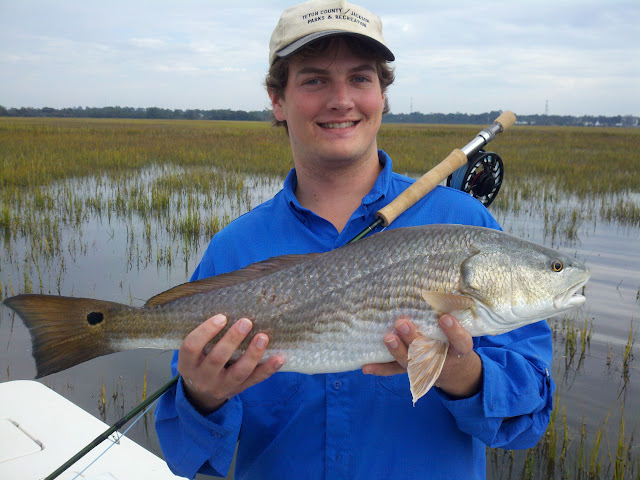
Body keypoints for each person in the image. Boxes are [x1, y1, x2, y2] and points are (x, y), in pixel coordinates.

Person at [155, 1, 554, 479]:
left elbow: (530, 419)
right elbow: (188, 457)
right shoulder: (234, 248)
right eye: (314, 80)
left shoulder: (464, 223)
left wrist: (460, 374)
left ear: (382, 95)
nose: (341, 100)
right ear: (278, 100)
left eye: (360, 78)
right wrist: (202, 396)